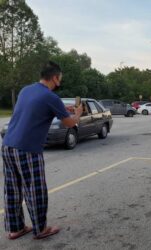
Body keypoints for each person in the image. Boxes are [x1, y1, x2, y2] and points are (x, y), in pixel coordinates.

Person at [2, 61, 83, 240]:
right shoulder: (50, 97)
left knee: (12, 189)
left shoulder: (26, 90)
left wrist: (62, 110)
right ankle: (41, 229)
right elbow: (70, 123)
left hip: (7, 144)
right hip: (28, 149)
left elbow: (33, 110)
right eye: (59, 78)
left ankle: (16, 229)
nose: (59, 81)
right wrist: (77, 113)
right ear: (55, 77)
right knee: (35, 190)